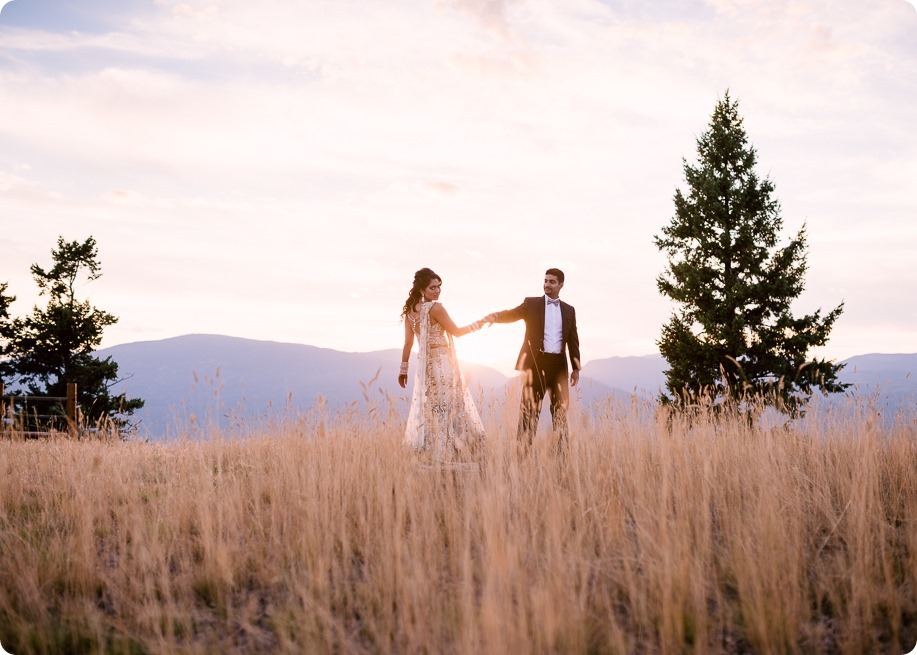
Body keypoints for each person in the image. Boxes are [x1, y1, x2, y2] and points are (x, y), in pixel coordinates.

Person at [484, 268, 581, 452]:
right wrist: (495, 316)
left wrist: (576, 368)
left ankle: (562, 456)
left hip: (559, 366)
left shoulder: (569, 310)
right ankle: (522, 455)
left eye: (552, 281)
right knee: (529, 411)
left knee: (560, 413)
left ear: (561, 285)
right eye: (545, 280)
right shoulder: (532, 304)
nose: (547, 284)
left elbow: (573, 340)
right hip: (535, 364)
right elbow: (513, 314)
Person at [399, 268, 487, 468]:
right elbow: (456, 332)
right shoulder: (435, 308)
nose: (437, 291)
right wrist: (479, 324)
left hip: (424, 367)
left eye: (439, 286)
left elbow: (408, 344)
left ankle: (434, 450)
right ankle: (445, 452)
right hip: (442, 363)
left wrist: (403, 370)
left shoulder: (411, 311)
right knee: (447, 408)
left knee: (433, 408)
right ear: (422, 289)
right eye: (433, 287)